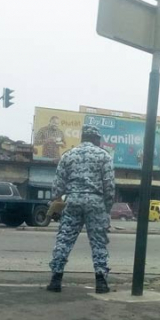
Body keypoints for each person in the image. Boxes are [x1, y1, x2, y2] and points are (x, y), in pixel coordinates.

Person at [47, 125, 115, 294]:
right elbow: (110, 186)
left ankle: (56, 279)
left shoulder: (68, 155)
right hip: (96, 201)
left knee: (64, 239)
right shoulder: (104, 156)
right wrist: (106, 207)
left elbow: (56, 188)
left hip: (73, 200)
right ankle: (101, 282)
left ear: (82, 138)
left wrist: (58, 198)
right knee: (98, 243)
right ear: (96, 139)